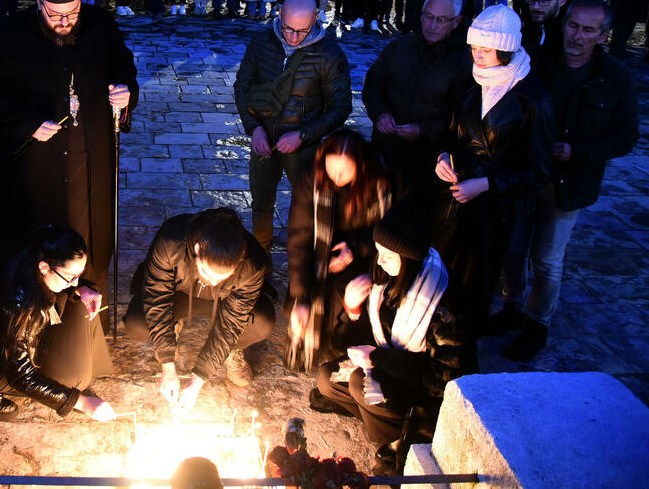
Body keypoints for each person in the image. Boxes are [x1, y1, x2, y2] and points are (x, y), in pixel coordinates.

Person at [0, 0, 138, 300]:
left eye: (72, 13)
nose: (65, 21)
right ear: (39, 3)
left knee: (90, 242)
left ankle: (88, 312)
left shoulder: (100, 26)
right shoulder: (6, 36)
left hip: (90, 166)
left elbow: (124, 69)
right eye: (56, 14)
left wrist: (125, 94)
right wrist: (25, 125)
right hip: (36, 170)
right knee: (37, 248)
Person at [491, 0, 638, 360]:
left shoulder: (618, 79)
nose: (577, 35)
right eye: (573, 26)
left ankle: (537, 322)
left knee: (547, 259)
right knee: (512, 249)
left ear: (603, 35)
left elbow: (625, 136)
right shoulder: (538, 63)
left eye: (588, 30)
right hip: (525, 175)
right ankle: (512, 305)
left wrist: (578, 151)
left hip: (568, 184)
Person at [313, 201, 468, 475]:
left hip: (420, 390)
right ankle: (373, 414)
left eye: (389, 254)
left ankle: (395, 435)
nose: (380, 260)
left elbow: (440, 382)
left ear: (409, 258)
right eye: (379, 251)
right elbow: (367, 336)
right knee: (327, 379)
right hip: (386, 365)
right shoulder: (386, 275)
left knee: (359, 383)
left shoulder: (443, 305)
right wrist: (352, 310)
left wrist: (377, 358)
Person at [434, 4, 553, 335]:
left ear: (506, 47)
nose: (477, 55)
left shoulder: (533, 99)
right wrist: (443, 156)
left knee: (480, 277)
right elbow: (451, 131)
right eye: (473, 47)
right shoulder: (470, 81)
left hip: (499, 205)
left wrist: (486, 184)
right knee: (447, 270)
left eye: (485, 48)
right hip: (459, 195)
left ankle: (465, 339)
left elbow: (538, 171)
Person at [0, 225, 116, 421]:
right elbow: (22, 376)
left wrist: (82, 289)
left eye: (79, 275)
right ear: (44, 267)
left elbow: (63, 286)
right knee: (71, 380)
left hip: (8, 334)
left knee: (81, 303)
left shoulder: (37, 251)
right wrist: (81, 402)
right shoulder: (17, 303)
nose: (76, 283)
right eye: (71, 278)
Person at [233, 0, 351, 255]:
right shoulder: (262, 43)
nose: (294, 37)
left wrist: (304, 135)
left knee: (306, 205)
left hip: (303, 146)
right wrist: (255, 129)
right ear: (279, 14)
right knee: (261, 203)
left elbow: (341, 107)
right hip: (264, 139)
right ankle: (260, 259)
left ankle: (303, 258)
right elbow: (242, 88)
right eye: (288, 28)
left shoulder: (329, 55)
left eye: (303, 31)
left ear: (316, 19)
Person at [123, 208, 275, 398]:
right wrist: (168, 365)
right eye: (208, 273)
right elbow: (156, 298)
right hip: (177, 295)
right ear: (197, 249)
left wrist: (198, 379)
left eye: (220, 278)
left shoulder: (253, 264)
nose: (212, 282)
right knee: (138, 324)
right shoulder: (171, 242)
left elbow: (233, 321)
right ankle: (172, 329)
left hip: (223, 300)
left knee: (261, 323)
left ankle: (232, 351)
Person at [286, 130, 392, 372]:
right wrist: (300, 298)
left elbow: (386, 230)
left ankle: (352, 346)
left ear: (361, 167)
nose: (335, 176)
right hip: (319, 259)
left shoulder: (379, 181)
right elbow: (299, 240)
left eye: (344, 171)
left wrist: (355, 250)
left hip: (367, 258)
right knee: (307, 305)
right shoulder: (311, 180)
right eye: (331, 168)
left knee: (356, 298)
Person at [362, 0, 471, 197]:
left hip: (428, 160)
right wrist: (380, 113)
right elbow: (374, 82)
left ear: (456, 22)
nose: (432, 25)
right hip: (386, 149)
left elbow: (461, 117)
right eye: (428, 17)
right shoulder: (400, 47)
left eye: (441, 20)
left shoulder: (463, 63)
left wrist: (423, 130)